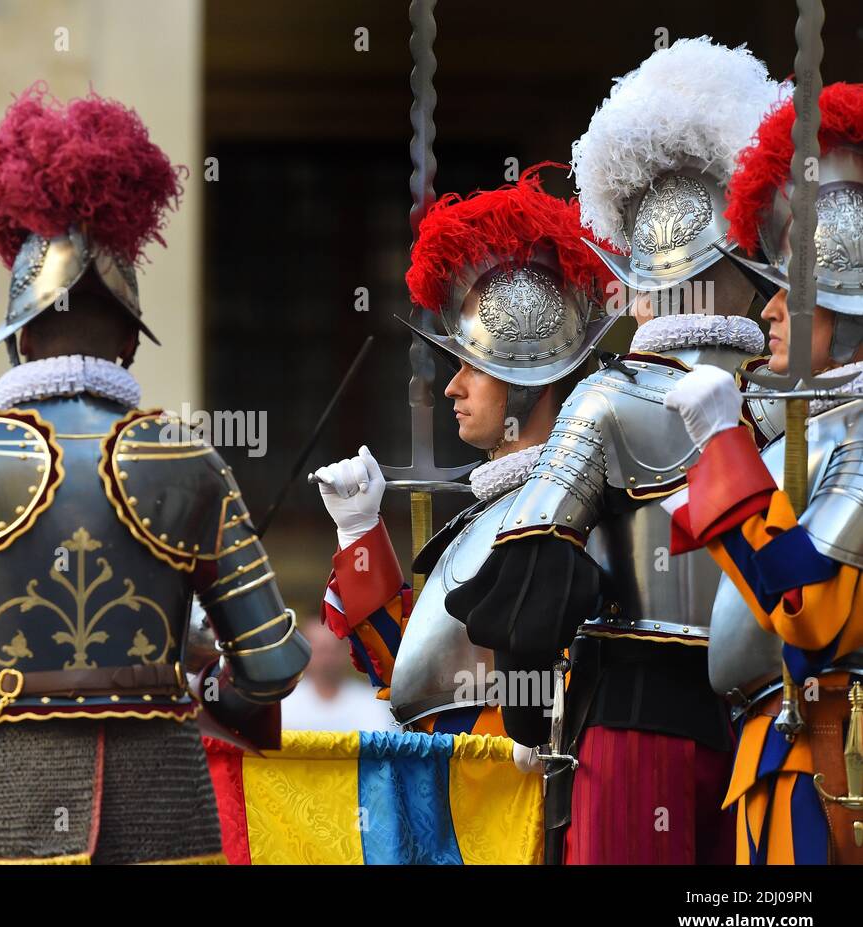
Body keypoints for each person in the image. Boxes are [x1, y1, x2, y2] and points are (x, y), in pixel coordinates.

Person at [0, 86, 311, 865]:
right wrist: (217, 702)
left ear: (20, 339)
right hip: (164, 806)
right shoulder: (189, 459)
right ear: (130, 337)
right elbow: (269, 663)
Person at [445, 38, 784, 864]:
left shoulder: (607, 397)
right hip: (771, 732)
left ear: (645, 262)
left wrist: (528, 716)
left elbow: (531, 576)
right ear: (744, 259)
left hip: (636, 728)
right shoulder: (785, 407)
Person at [315, 170, 614, 760]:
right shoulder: (490, 509)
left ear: (525, 384)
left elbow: (587, 664)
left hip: (517, 798)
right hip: (454, 796)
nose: (452, 388)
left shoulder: (578, 507)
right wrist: (359, 534)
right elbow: (410, 672)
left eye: (472, 368)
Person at [665, 82, 863, 865]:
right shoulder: (824, 426)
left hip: (830, 755)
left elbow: (809, 606)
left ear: (843, 312)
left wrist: (724, 445)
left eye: (788, 292)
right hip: (776, 752)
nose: (768, 312)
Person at [281, 616, 394, 732]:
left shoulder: (371, 704)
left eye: (334, 649)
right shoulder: (284, 704)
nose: (328, 658)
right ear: (304, 654)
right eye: (321, 650)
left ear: (347, 652)